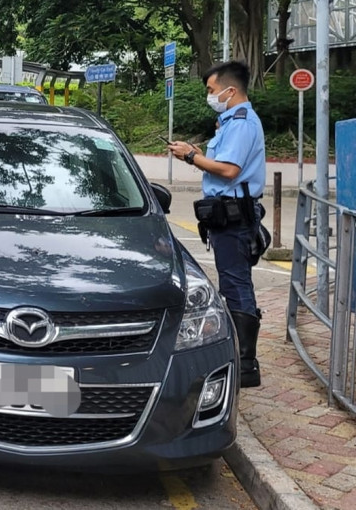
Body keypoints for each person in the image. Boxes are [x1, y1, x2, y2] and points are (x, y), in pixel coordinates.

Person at [168, 60, 266, 388]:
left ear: (230, 90)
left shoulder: (241, 123)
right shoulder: (231, 122)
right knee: (233, 282)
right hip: (228, 214)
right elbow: (222, 164)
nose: (210, 96)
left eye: (212, 90)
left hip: (234, 216)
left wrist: (190, 157)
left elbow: (229, 170)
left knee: (236, 285)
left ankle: (245, 364)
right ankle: (242, 358)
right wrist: (196, 153)